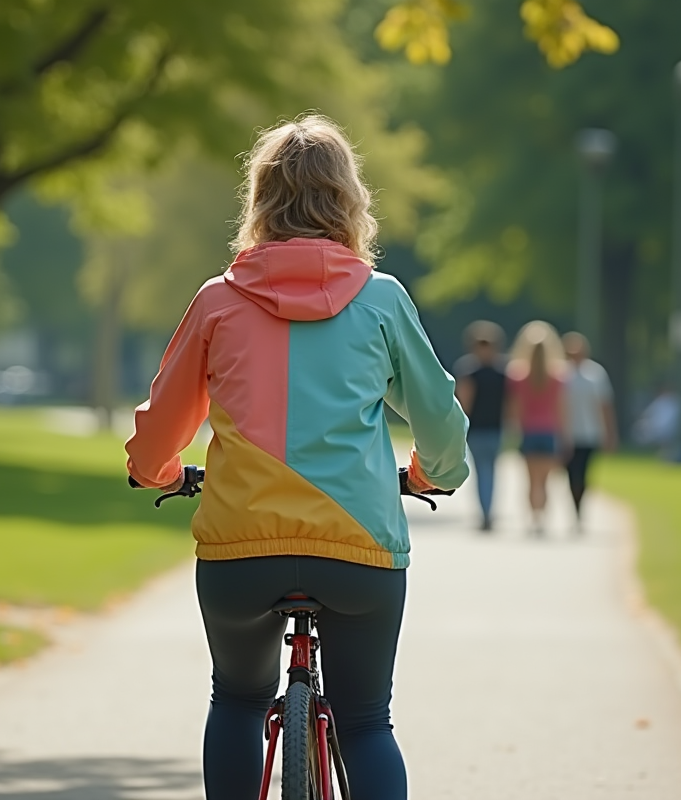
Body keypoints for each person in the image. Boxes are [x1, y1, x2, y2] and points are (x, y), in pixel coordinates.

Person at [124, 115, 469, 800]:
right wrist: (432, 476)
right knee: (368, 721)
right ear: (349, 200)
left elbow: (163, 426)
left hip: (241, 550)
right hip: (358, 548)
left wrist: (158, 473)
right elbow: (439, 420)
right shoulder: (382, 301)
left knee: (238, 702)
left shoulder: (218, 301)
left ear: (260, 199)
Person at [507, 321, 569, 535]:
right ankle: (542, 517)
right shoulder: (558, 378)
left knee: (531, 480)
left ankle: (533, 517)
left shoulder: (518, 376)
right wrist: (565, 436)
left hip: (529, 431)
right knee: (545, 481)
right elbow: (561, 410)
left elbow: (516, 409)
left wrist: (515, 429)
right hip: (549, 431)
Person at [454, 321, 508, 531]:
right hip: (488, 429)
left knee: (483, 471)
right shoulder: (503, 371)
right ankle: (487, 512)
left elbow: (464, 402)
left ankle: (485, 512)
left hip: (481, 429)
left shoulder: (468, 371)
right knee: (489, 471)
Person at [561, 332, 617, 528]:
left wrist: (610, 432)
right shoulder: (561, 373)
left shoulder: (596, 374)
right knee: (570, 473)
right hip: (567, 433)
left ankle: (579, 507)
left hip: (590, 432)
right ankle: (574, 507)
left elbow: (604, 405)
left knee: (583, 473)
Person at [633, 383, 681, 460]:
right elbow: (648, 413)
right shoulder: (660, 400)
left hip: (667, 429)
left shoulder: (675, 401)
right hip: (656, 427)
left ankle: (665, 452)